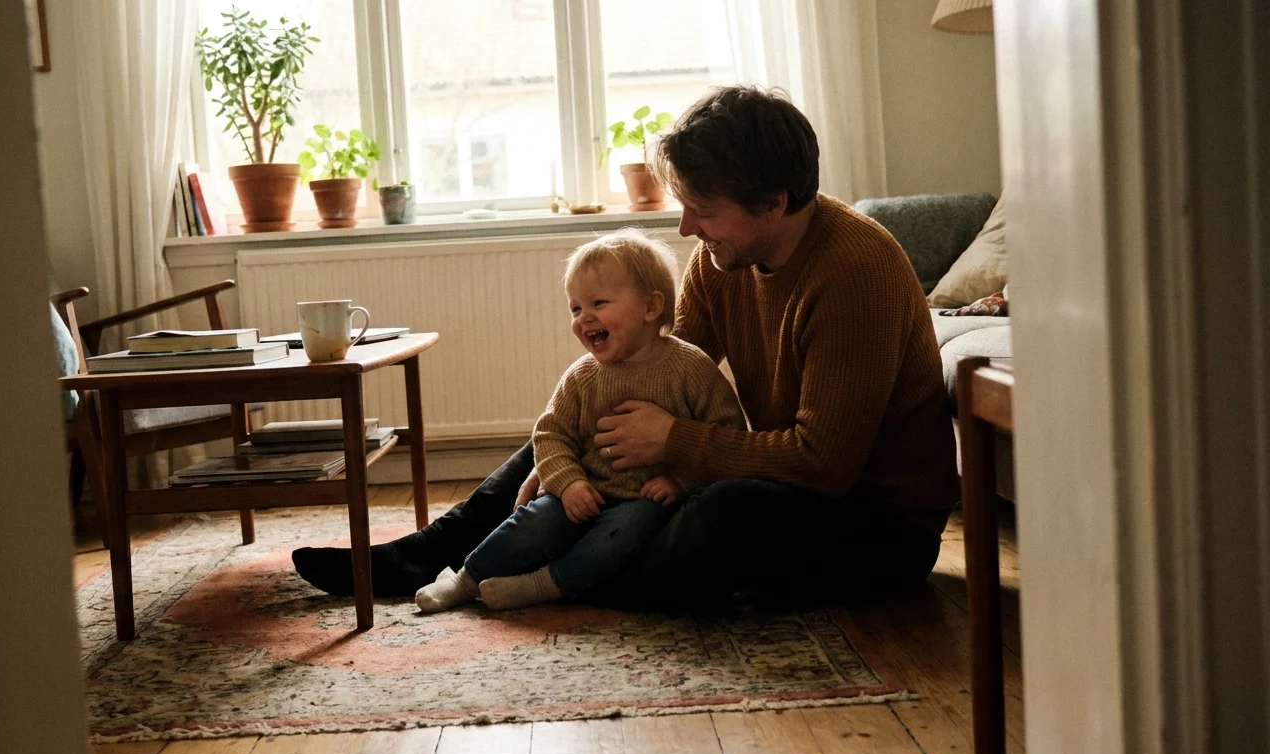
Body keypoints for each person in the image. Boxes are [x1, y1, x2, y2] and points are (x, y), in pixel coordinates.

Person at [293, 85, 960, 610]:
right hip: (791, 484)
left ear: (774, 203)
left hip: (875, 527)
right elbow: (641, 379)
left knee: (719, 514)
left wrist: (674, 440)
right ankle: (436, 552)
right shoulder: (722, 260)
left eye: (703, 207)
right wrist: (560, 468)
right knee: (587, 410)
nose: (686, 226)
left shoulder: (855, 272)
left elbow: (824, 465)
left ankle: (559, 572)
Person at [413, 230, 745, 614]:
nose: (584, 318)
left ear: (651, 308)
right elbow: (551, 434)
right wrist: (567, 482)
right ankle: (464, 579)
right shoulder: (582, 375)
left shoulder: (690, 369)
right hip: (583, 489)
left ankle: (545, 584)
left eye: (599, 303)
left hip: (645, 502)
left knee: (622, 535)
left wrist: (679, 482)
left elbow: (725, 434)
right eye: (575, 309)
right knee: (534, 520)